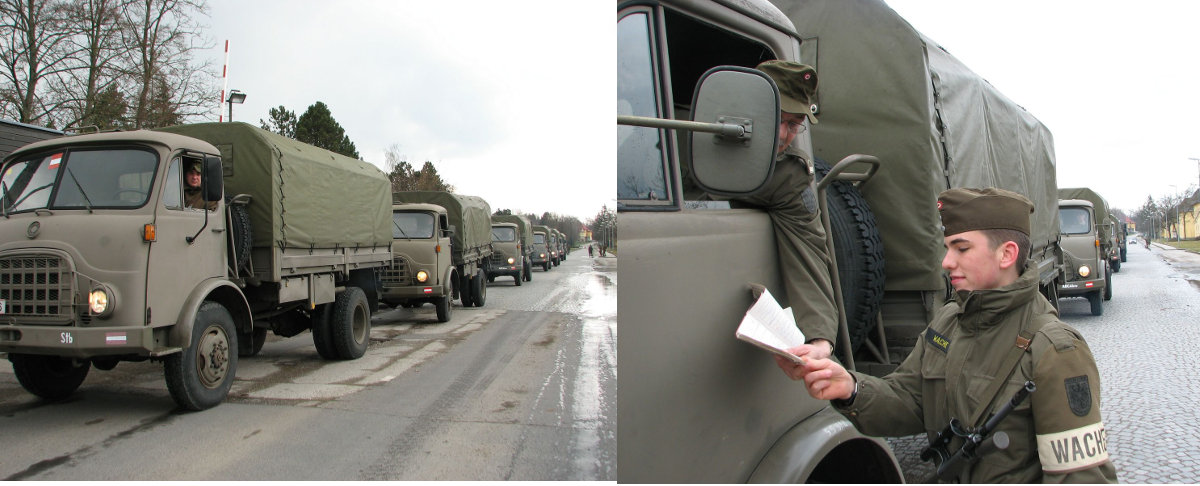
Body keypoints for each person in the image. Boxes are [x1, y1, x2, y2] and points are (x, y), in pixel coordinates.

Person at [775, 188, 1118, 483]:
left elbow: (1080, 477)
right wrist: (849, 388)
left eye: (961, 248)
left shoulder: (1056, 350)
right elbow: (909, 400)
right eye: (947, 248)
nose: (945, 261)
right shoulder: (949, 321)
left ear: (1007, 254)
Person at [718, 60, 839, 361]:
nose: (784, 135)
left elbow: (809, 248)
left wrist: (820, 338)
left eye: (794, 124)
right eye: (777, 119)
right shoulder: (702, 140)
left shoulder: (786, 175)